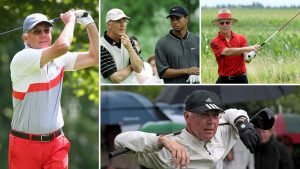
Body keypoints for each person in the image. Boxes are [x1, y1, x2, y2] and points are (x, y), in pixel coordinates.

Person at [9, 10, 98, 169]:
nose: (43, 34)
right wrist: (70, 21)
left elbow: (95, 57)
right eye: (37, 31)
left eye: (47, 30)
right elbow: (62, 46)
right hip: (24, 145)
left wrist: (89, 23)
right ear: (25, 38)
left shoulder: (59, 59)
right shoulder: (22, 58)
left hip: (56, 143)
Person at [114, 90, 260, 168]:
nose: (211, 122)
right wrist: (162, 140)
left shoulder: (222, 131)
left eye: (215, 115)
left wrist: (242, 125)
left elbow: (232, 113)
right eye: (204, 115)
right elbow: (119, 141)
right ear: (187, 116)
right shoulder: (167, 152)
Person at [210, 8, 261, 84]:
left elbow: (247, 59)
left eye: (227, 22)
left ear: (231, 23)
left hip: (241, 79)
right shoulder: (214, 42)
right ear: (218, 23)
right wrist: (250, 48)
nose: (225, 25)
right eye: (222, 23)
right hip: (224, 79)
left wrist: (252, 53)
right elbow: (227, 52)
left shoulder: (241, 38)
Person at [155, 5, 199, 84]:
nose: (174, 22)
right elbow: (163, 72)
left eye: (178, 18)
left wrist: (198, 72)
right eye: (172, 19)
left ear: (186, 19)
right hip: (175, 90)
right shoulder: (162, 43)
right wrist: (187, 71)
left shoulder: (196, 40)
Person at [100, 8, 143, 84]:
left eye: (124, 21)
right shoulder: (101, 46)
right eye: (118, 21)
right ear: (109, 25)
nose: (122, 24)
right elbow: (116, 78)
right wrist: (132, 66)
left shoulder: (129, 41)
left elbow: (139, 68)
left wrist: (129, 48)